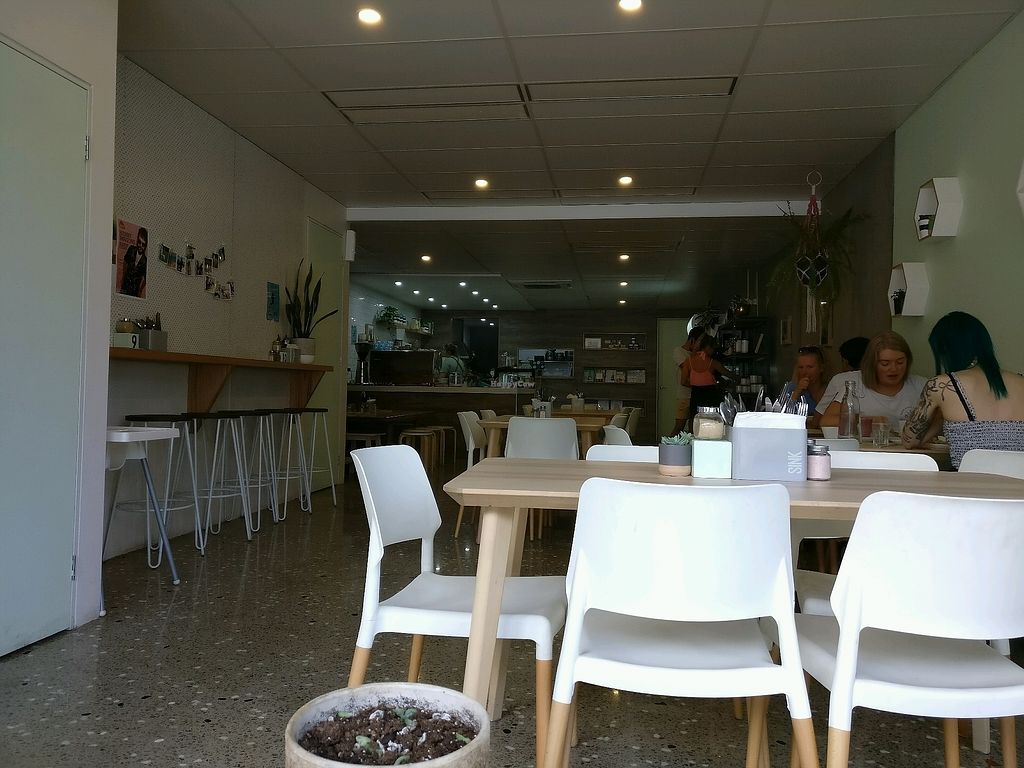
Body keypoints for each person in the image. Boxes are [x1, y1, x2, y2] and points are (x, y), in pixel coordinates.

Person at [901, 311, 1024, 468]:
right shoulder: (1020, 381)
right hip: (1017, 481)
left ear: (946, 350)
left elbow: (909, 440)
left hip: (969, 481)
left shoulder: (942, 385)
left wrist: (939, 416)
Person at [819, 330, 926, 428]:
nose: (894, 369)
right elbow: (826, 421)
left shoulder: (922, 386)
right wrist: (866, 421)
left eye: (900, 362)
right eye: (885, 363)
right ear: (872, 364)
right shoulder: (856, 385)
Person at [680, 334, 735, 412]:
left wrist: (696, 384)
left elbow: (683, 382)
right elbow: (729, 374)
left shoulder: (688, 361)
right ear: (708, 347)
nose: (714, 351)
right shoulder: (713, 362)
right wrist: (738, 379)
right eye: (713, 348)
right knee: (712, 418)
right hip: (711, 395)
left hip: (696, 395)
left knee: (695, 417)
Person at [672, 326, 704, 433]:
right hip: (684, 395)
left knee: (693, 428)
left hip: (697, 395)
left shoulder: (699, 354)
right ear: (692, 340)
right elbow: (689, 370)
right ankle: (669, 443)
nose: (701, 344)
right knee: (679, 426)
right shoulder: (679, 351)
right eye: (700, 341)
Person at [781, 345, 828, 413]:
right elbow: (783, 414)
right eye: (801, 367)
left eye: (810, 367)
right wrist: (796, 392)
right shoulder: (791, 388)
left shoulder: (830, 389)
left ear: (821, 368)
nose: (804, 372)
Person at [119, 227, 148, 298]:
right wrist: (123, 276)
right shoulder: (131, 249)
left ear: (146, 246)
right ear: (137, 240)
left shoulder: (145, 261)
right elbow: (125, 261)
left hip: (135, 290)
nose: (140, 246)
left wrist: (140, 289)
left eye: (143, 244)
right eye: (139, 242)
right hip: (125, 284)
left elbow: (145, 278)